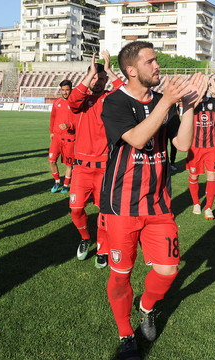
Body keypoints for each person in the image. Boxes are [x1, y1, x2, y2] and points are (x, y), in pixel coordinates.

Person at [100, 40, 203, 359]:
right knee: (121, 276)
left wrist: (188, 108)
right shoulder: (114, 102)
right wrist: (168, 102)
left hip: (158, 205)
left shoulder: (164, 100)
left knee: (169, 270)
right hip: (122, 206)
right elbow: (137, 138)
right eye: (151, 62)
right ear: (131, 70)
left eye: (156, 60)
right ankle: (125, 332)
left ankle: (145, 307)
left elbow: (182, 145)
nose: (157, 66)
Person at [67, 50, 124, 269]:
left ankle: (103, 248)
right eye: (94, 78)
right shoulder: (80, 101)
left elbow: (127, 92)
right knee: (76, 209)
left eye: (102, 79)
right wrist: (89, 73)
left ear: (106, 80)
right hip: (81, 169)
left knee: (104, 212)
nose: (98, 82)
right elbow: (72, 100)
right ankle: (84, 237)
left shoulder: (110, 99)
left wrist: (109, 69)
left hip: (103, 168)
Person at [186, 77, 215, 220]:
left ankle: (209, 208)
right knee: (194, 176)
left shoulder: (214, 101)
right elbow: (189, 109)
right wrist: (201, 92)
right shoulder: (192, 102)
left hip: (212, 147)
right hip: (195, 147)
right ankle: (196, 204)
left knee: (212, 177)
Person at [48, 79, 75, 193]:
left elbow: (79, 121)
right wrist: (51, 131)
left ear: (71, 90)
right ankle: (57, 181)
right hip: (57, 138)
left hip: (70, 138)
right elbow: (53, 117)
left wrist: (69, 125)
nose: (65, 92)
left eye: (67, 90)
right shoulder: (56, 102)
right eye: (63, 90)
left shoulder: (75, 103)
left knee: (69, 164)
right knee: (51, 161)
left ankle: (66, 185)